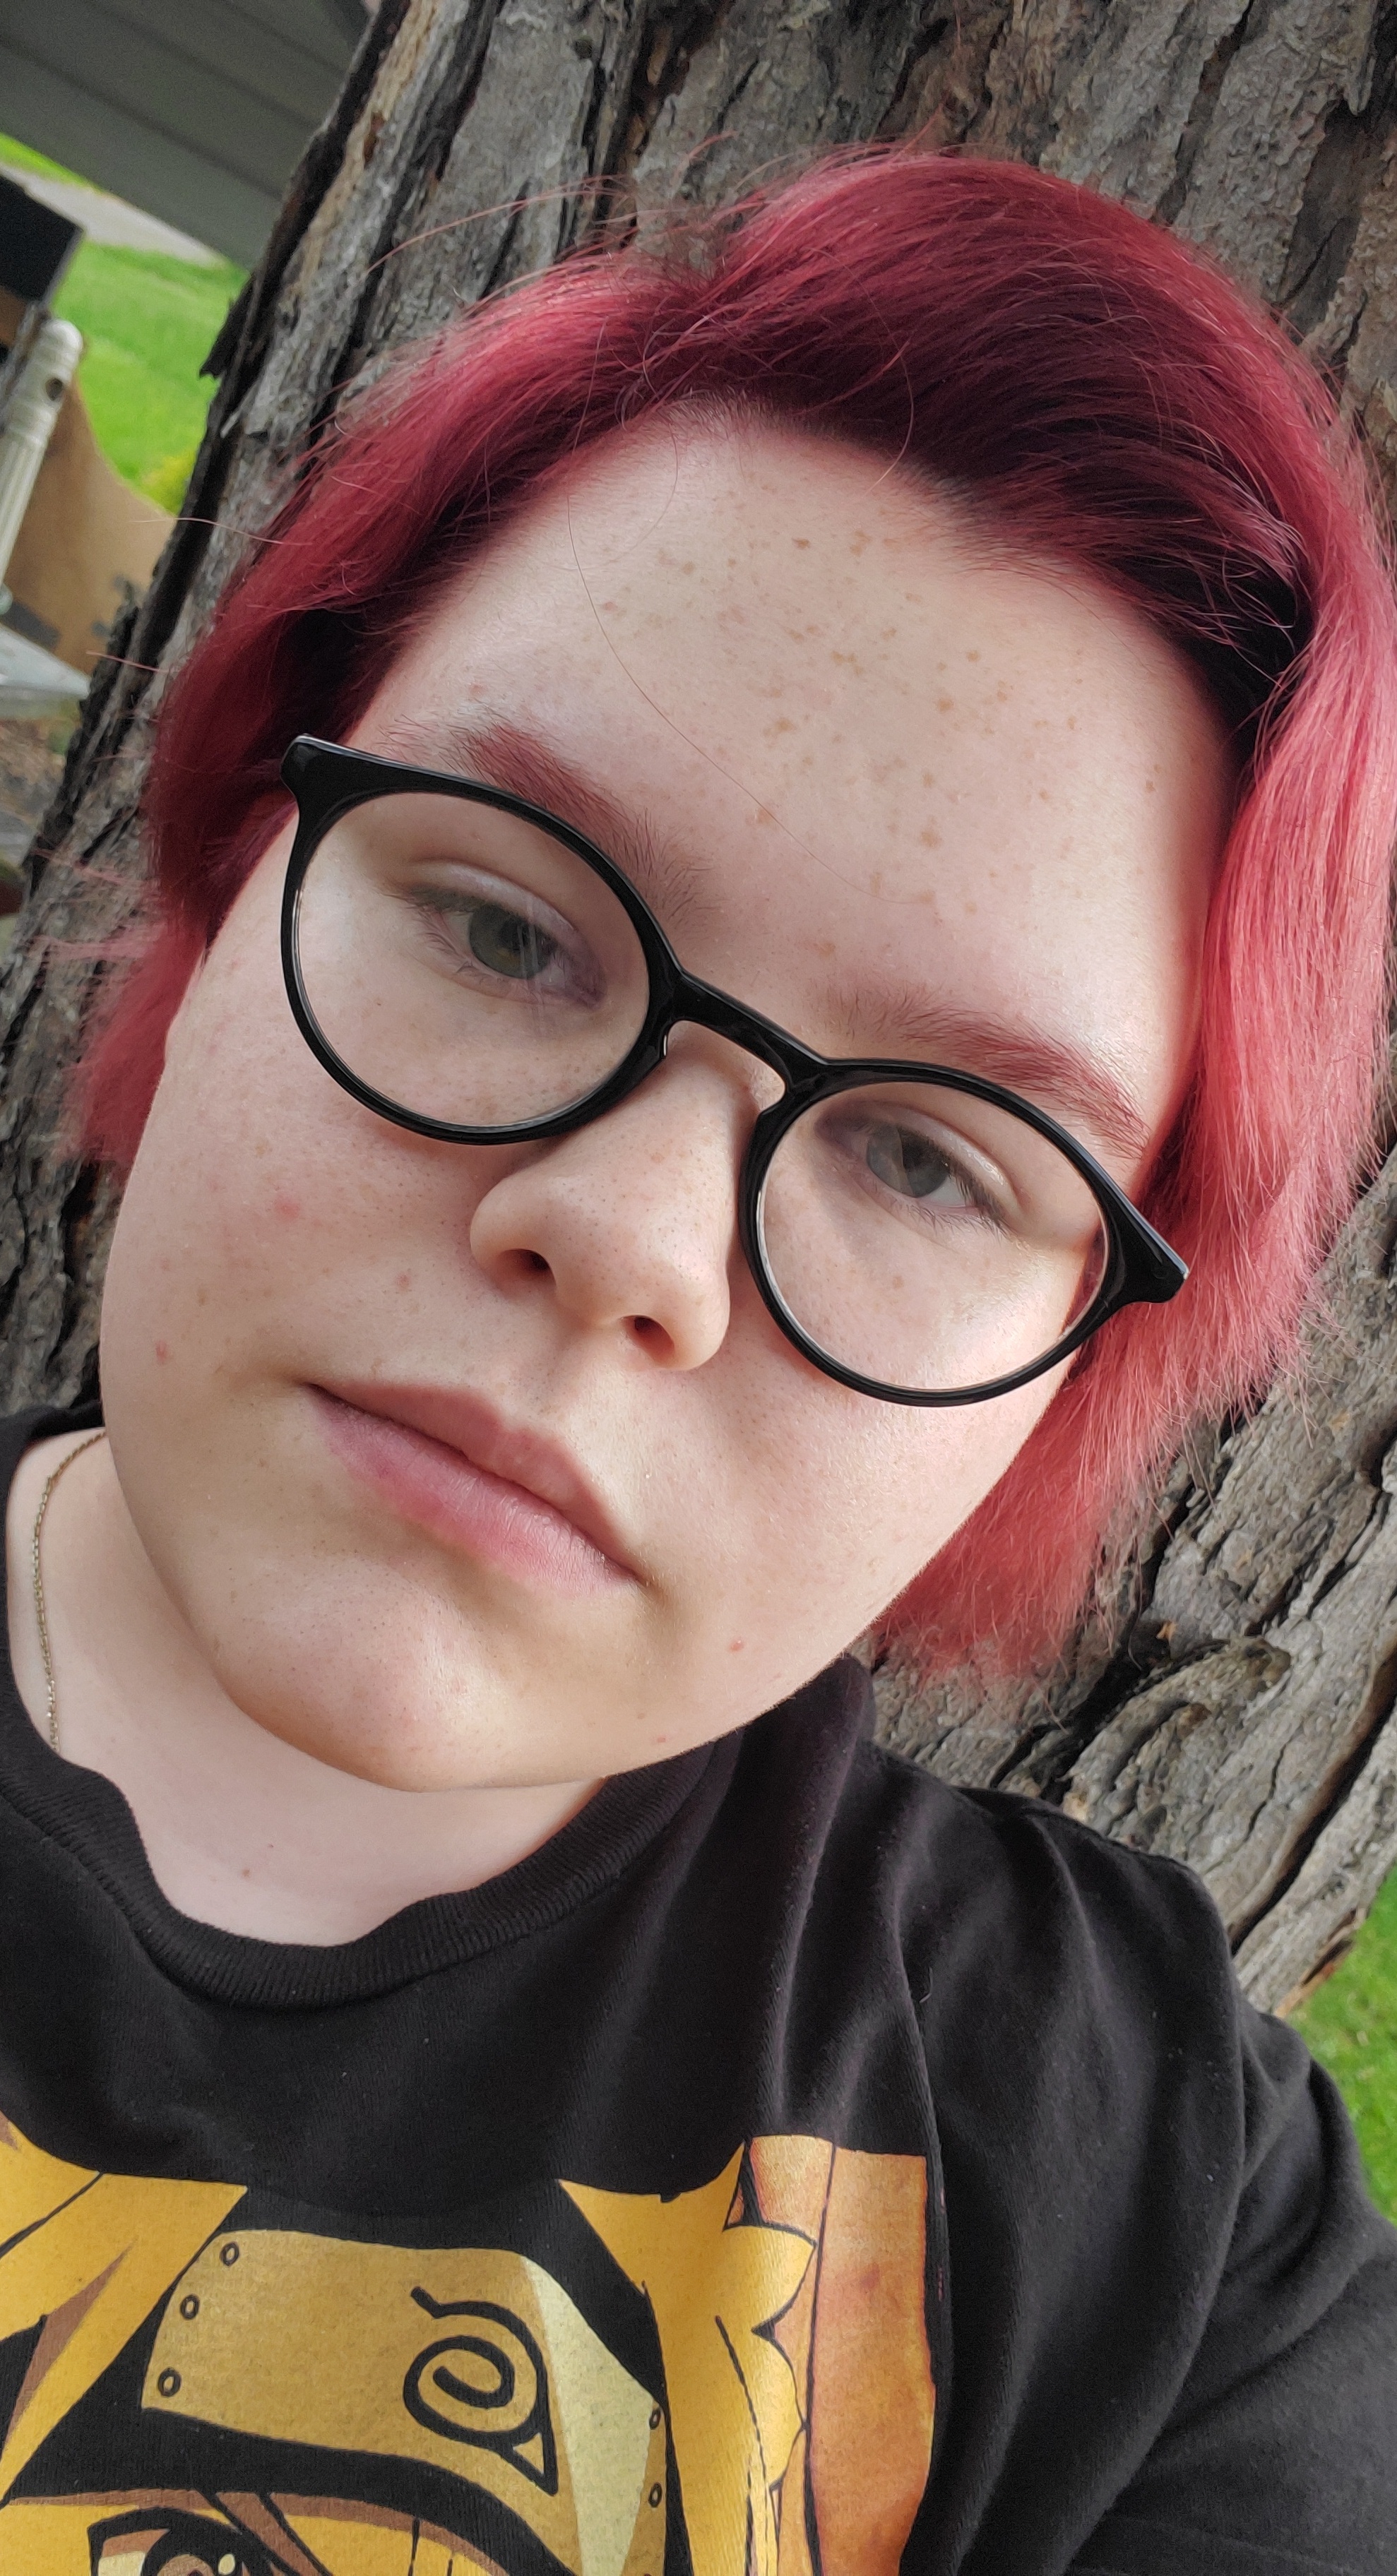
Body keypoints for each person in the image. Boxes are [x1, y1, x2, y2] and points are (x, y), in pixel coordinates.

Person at [1, 147, 1394, 2576]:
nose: (626, 1240)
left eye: (929, 1161)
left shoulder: (1159, 2241)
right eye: (503, 929)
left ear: (1065, 1372)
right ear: (238, 871)